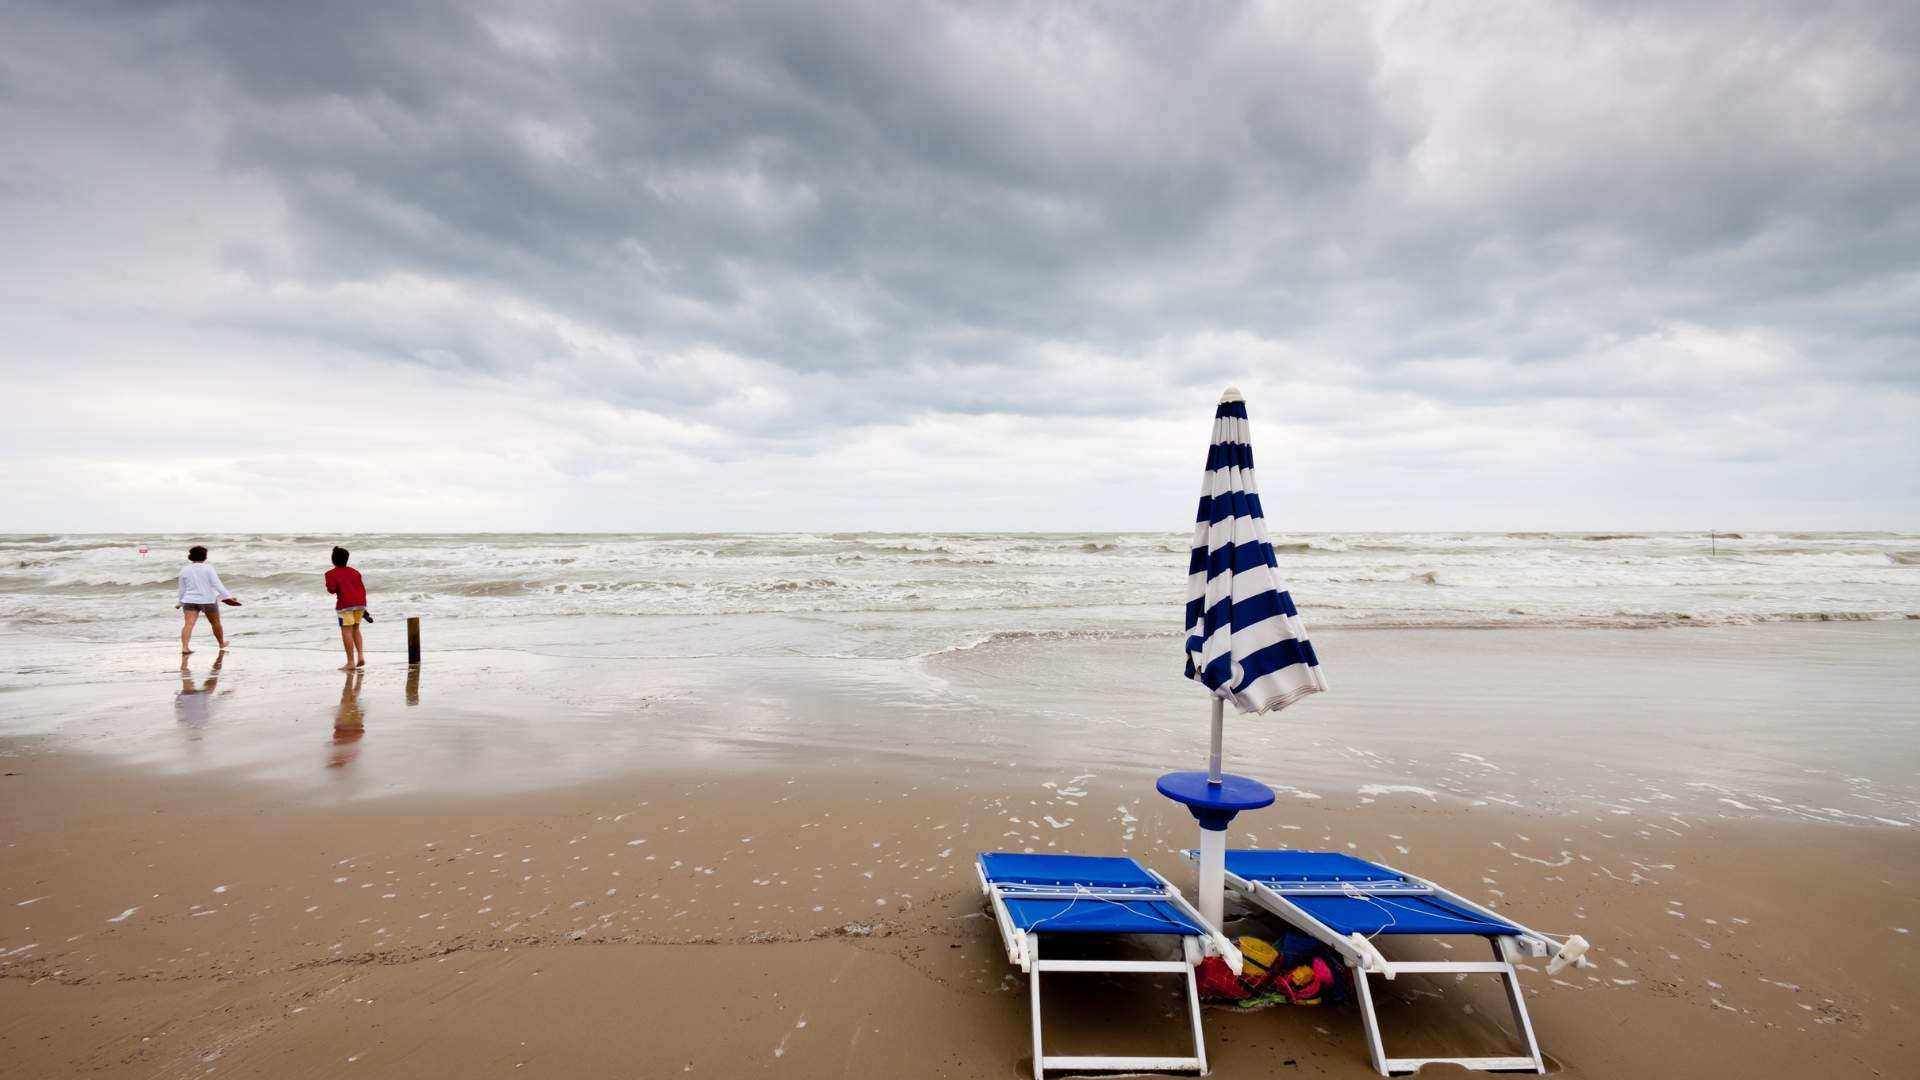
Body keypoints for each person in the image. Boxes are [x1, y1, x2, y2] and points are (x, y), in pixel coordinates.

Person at [176, 545, 240, 654]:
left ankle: (185, 647)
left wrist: (180, 602)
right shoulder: (208, 568)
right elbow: (217, 584)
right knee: (215, 623)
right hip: (208, 600)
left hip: (189, 600)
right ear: (205, 557)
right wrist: (228, 596)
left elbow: (182, 588)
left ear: (190, 557)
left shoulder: (184, 570)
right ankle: (221, 643)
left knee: (188, 624)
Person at [324, 545, 371, 670]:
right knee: (356, 629)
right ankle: (360, 656)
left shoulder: (330, 574)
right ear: (346, 559)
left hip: (345, 606)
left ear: (333, 560)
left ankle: (350, 662)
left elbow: (331, 589)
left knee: (346, 630)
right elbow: (361, 589)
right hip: (361, 604)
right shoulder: (355, 572)